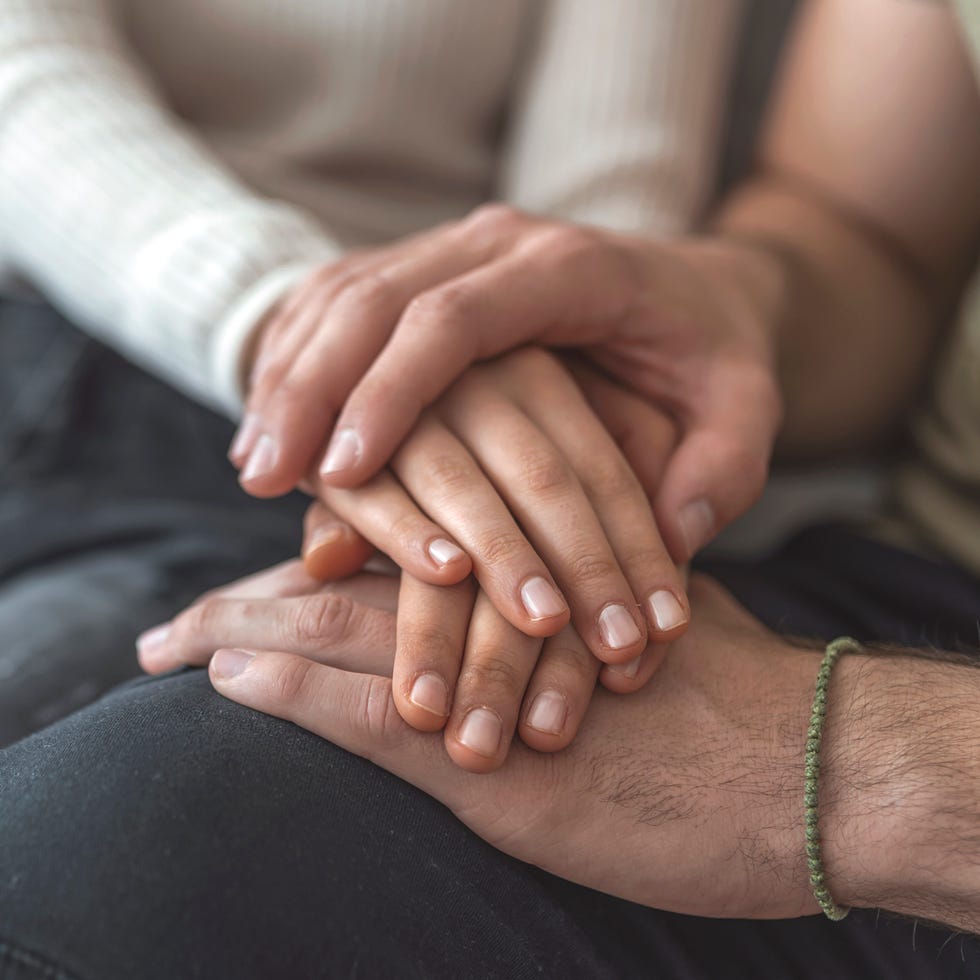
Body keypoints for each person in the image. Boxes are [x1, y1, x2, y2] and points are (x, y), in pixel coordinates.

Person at [2, 2, 980, 980]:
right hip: (250, 389)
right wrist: (685, 312)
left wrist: (848, 758)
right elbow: (864, 236)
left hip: (282, 457)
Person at [0, 0, 744, 744]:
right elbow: (24, 81)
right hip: (285, 376)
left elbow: (600, 220)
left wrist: (535, 465)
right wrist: (314, 334)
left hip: (403, 441)